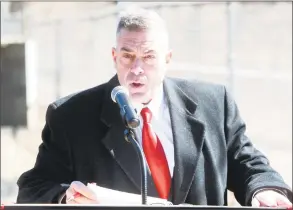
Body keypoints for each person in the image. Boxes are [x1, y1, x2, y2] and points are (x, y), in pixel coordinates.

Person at [16, 6, 292, 206]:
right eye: (127, 56)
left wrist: (264, 189)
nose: (137, 68)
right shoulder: (71, 116)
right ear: (114, 56)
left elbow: (247, 164)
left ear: (167, 58)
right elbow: (33, 188)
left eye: (148, 56)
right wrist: (67, 197)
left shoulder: (213, 104)